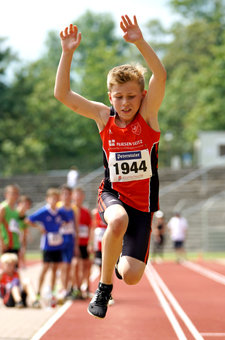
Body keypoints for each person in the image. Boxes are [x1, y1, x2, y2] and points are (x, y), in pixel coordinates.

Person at [55, 14, 166, 319]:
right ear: (110, 97)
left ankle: (117, 265)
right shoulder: (104, 118)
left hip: (143, 208)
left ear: (142, 96)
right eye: (119, 97)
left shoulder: (148, 117)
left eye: (131, 96)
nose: (125, 102)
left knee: (131, 275)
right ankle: (103, 290)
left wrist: (139, 41)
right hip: (113, 195)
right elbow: (62, 95)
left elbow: (160, 75)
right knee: (116, 222)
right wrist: (67, 53)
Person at [25, 188, 68, 300]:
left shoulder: (60, 212)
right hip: (47, 244)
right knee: (45, 267)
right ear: (47, 199)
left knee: (55, 268)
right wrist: (39, 228)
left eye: (56, 198)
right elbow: (28, 220)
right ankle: (39, 291)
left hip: (58, 243)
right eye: (52, 198)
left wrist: (60, 227)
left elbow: (67, 220)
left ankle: (53, 292)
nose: (54, 200)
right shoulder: (43, 212)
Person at [57, 185, 79, 299]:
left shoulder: (73, 210)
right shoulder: (57, 209)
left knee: (69, 265)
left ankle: (67, 288)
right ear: (61, 195)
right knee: (62, 266)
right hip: (59, 241)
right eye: (64, 194)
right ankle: (63, 288)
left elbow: (76, 228)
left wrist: (76, 245)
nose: (66, 196)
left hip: (70, 240)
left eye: (68, 194)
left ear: (71, 196)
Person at [71, 187, 93, 299]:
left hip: (84, 242)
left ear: (83, 197)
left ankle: (86, 287)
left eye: (80, 195)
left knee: (86, 265)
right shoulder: (70, 210)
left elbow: (90, 227)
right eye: (76, 195)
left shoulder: (86, 211)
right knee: (74, 265)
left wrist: (90, 242)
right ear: (73, 197)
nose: (78, 197)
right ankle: (76, 287)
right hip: (74, 242)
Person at [0, 184, 21, 256]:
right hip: (6, 243)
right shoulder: (3, 208)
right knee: (8, 266)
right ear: (6, 194)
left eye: (17, 193)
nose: (15, 195)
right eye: (13, 193)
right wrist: (1, 242)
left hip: (16, 244)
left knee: (15, 267)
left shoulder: (17, 209)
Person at [17, 195, 33, 268]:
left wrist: (28, 235)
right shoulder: (13, 214)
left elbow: (25, 229)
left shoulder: (25, 217)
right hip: (10, 240)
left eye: (28, 204)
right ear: (19, 203)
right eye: (24, 203)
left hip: (18, 240)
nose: (26, 205)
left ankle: (22, 264)